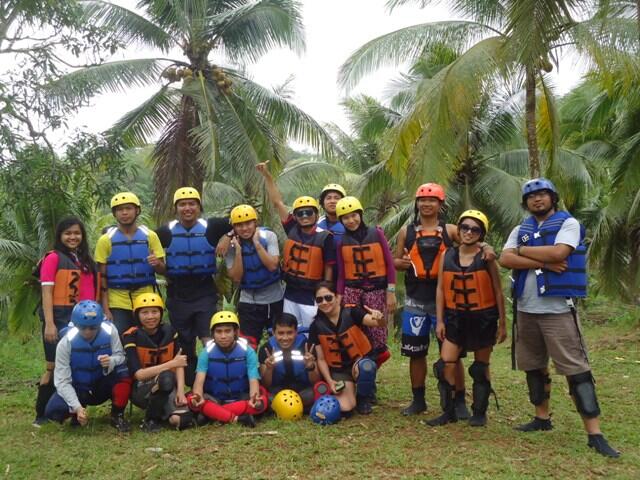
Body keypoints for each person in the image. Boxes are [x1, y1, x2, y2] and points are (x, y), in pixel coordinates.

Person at [499, 178, 619, 458]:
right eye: (531, 197)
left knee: (577, 372)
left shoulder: (569, 224)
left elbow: (559, 252)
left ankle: (594, 432)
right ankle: (542, 418)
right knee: (534, 368)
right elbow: (505, 259)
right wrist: (541, 262)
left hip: (558, 310)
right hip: (526, 309)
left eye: (542, 195)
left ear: (553, 198)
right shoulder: (521, 229)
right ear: (525, 203)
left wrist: (521, 252)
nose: (537, 200)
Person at [394, 183, 470, 417]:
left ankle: (459, 401)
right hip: (416, 299)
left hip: (446, 300)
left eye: (432, 200)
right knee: (416, 352)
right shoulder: (406, 232)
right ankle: (418, 400)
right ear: (417, 203)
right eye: (422, 200)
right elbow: (396, 262)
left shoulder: (450, 231)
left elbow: (472, 244)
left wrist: (485, 249)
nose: (426, 204)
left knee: (452, 354)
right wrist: (402, 264)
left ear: (440, 204)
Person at [426, 210, 507, 427]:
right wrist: (440, 320)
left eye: (475, 229)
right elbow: (441, 290)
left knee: (480, 367)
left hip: (483, 317)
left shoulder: (486, 257)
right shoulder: (447, 255)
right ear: (459, 229)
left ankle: (479, 412)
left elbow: (499, 292)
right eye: (465, 227)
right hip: (455, 317)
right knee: (445, 365)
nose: (468, 232)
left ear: (481, 234)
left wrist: (503, 324)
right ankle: (449, 410)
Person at [156, 187, 231, 384]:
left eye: (192, 204)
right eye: (182, 204)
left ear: (199, 207)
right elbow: (147, 245)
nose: (187, 208)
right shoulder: (166, 231)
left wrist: (228, 236)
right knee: (184, 342)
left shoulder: (213, 226)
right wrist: (159, 266)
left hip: (204, 290)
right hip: (178, 293)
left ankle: (217, 378)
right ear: (176, 208)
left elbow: (245, 220)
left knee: (208, 338)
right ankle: (190, 381)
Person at [33, 217, 100, 427]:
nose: (73, 237)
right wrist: (50, 323)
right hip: (59, 317)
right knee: (53, 366)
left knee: (75, 364)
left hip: (80, 319)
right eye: (68, 233)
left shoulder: (86, 260)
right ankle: (41, 413)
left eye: (77, 233)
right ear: (60, 236)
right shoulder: (53, 258)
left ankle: (72, 411)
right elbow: (47, 292)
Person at [256, 162, 336, 333]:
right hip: (291, 294)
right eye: (300, 213)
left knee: (313, 335)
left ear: (316, 214)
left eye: (309, 212)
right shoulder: (292, 228)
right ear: (296, 216)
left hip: (312, 296)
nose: (304, 216)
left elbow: (329, 267)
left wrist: (327, 292)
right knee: (290, 334)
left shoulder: (325, 237)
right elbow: (277, 202)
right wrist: (267, 176)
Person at [44, 300, 131, 432]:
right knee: (53, 411)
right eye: (83, 327)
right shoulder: (65, 342)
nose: (87, 332)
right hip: (80, 387)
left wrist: (111, 361)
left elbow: (121, 356)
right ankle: (78, 414)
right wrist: (77, 407)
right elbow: (62, 381)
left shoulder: (110, 330)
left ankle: (117, 414)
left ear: (100, 324)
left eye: (93, 328)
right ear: (75, 325)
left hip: (103, 384)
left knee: (123, 370)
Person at [335, 196, 395, 367]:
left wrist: (390, 292)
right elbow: (342, 273)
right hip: (352, 291)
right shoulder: (341, 242)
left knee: (377, 332)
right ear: (341, 220)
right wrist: (339, 296)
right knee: (355, 332)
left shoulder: (376, 233)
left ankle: (371, 369)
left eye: (354, 215)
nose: (351, 220)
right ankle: (359, 370)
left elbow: (389, 264)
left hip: (376, 290)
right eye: (345, 218)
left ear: (360, 214)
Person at [309, 282, 385, 415]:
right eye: (319, 300)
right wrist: (330, 381)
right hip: (339, 370)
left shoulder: (352, 311)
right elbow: (320, 359)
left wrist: (379, 317)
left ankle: (364, 398)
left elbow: (375, 323)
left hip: (358, 363)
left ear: (337, 297)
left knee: (366, 367)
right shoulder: (315, 326)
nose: (324, 302)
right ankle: (347, 392)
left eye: (328, 297)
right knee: (346, 408)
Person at [95, 192, 165, 335]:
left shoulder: (150, 236)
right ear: (114, 214)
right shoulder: (105, 240)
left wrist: (157, 263)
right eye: (120, 210)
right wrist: (105, 308)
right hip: (118, 299)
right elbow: (101, 277)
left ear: (137, 211)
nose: (124, 213)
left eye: (128, 208)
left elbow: (162, 270)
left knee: (146, 337)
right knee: (120, 337)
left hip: (145, 295)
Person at [123, 293, 192, 432]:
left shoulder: (170, 331)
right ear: (137, 315)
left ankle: (163, 412)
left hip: (168, 385)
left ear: (161, 313)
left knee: (182, 420)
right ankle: (150, 420)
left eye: (154, 312)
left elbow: (180, 363)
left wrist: (180, 392)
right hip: (141, 388)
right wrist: (170, 364)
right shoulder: (131, 336)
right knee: (166, 377)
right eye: (145, 312)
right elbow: (139, 375)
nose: (150, 317)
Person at [187, 311, 268, 428]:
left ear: (235, 332)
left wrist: (253, 398)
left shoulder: (248, 351)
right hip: (214, 398)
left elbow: (253, 379)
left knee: (261, 403)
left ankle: (213, 414)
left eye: (227, 331)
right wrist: (198, 396)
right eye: (219, 331)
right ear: (213, 334)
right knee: (192, 401)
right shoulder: (206, 353)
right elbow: (199, 381)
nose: (223, 336)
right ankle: (237, 419)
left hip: (241, 397)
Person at [225, 204, 284, 349]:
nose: (244, 228)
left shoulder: (269, 236)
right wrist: (238, 251)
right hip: (249, 302)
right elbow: (236, 277)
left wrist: (257, 244)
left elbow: (272, 265)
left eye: (248, 223)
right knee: (248, 345)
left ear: (255, 223)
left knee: (279, 343)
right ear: (234, 227)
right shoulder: (230, 245)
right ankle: (250, 371)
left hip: (274, 300)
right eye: (239, 225)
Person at [258, 313, 328, 411]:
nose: (285, 338)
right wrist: (269, 369)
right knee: (265, 395)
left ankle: (285, 408)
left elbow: (316, 381)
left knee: (320, 389)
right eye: (281, 333)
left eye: (289, 333)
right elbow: (266, 384)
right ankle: (297, 407)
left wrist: (310, 367)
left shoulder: (307, 346)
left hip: (303, 390)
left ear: (296, 332)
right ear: (274, 333)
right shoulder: (266, 349)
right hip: (277, 392)